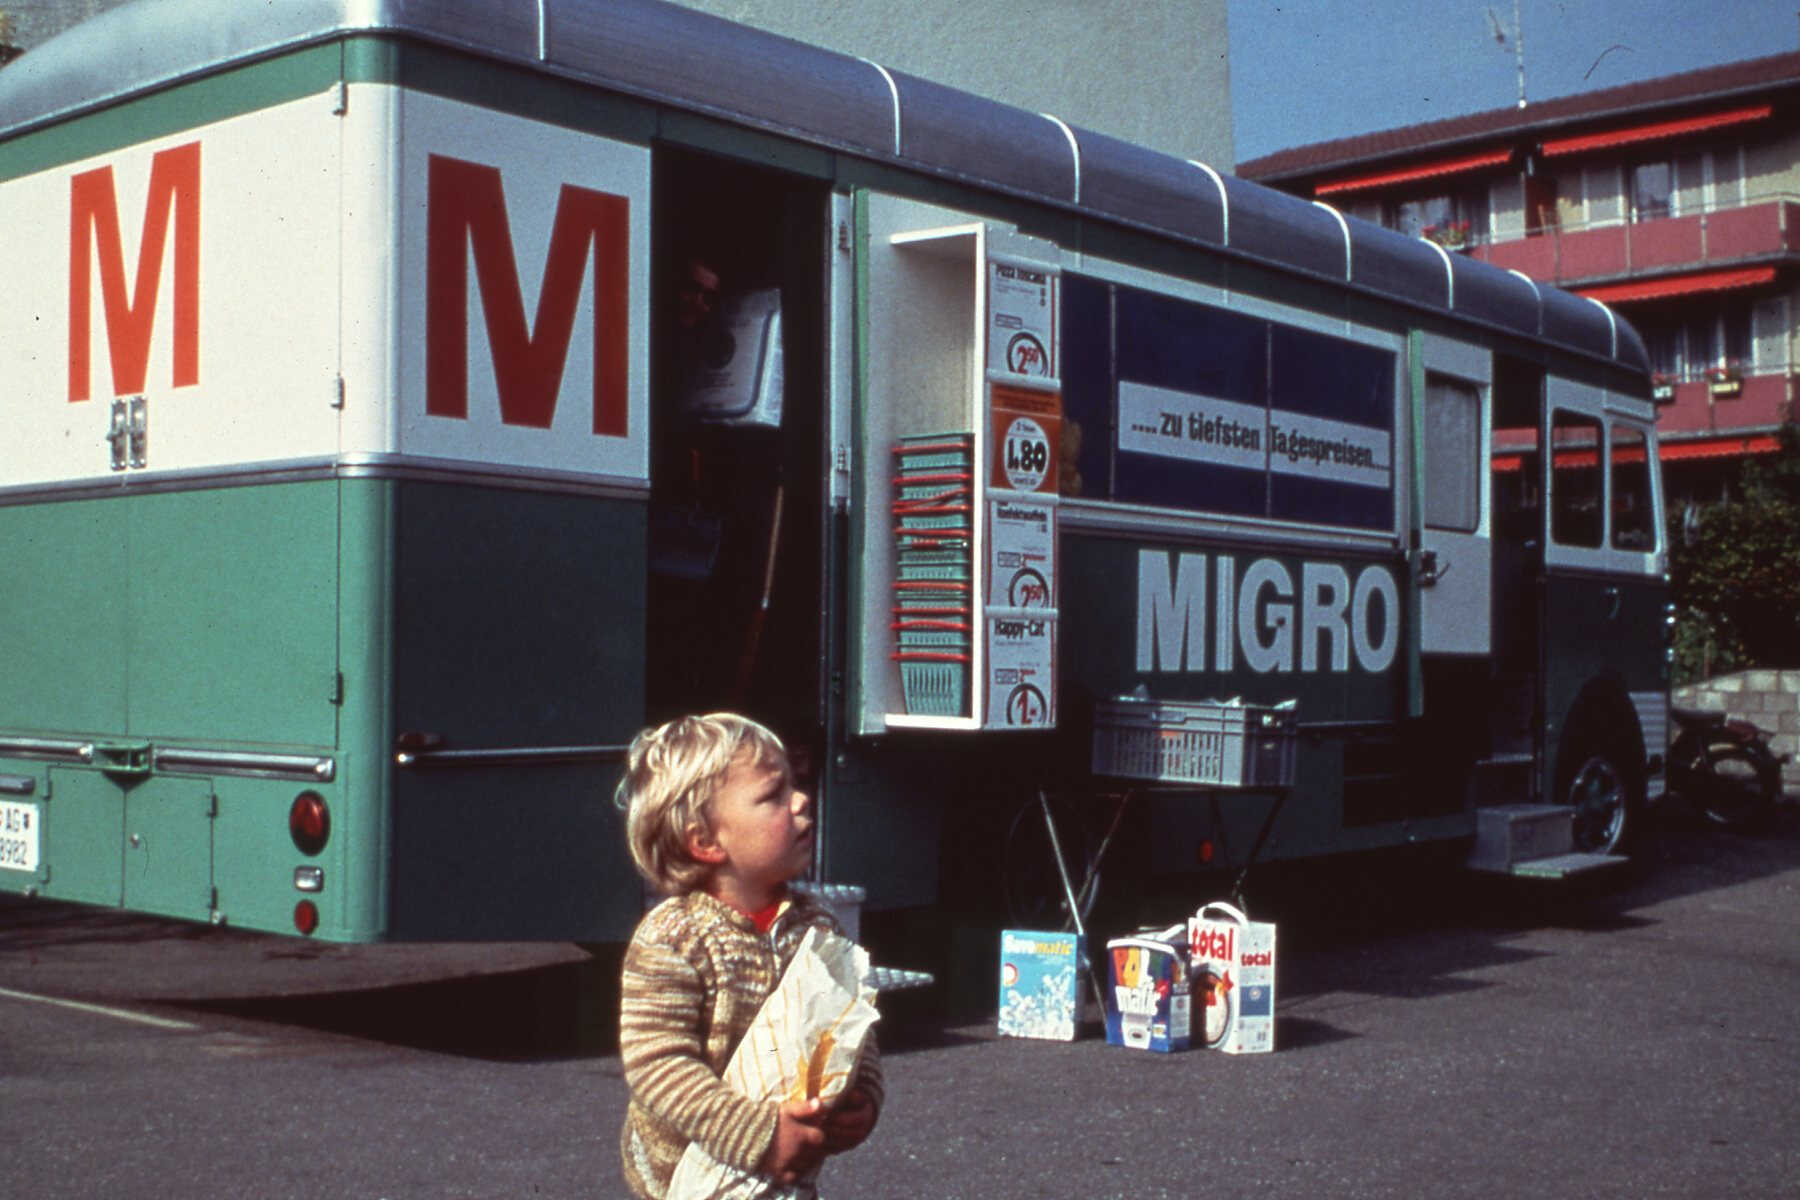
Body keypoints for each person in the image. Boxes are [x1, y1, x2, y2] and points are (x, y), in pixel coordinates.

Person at [615, 713, 882, 1198]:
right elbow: (658, 1064)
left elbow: (847, 1030)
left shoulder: (817, 928)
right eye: (773, 796)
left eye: (795, 785)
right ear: (706, 841)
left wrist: (862, 1095)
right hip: (688, 1175)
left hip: (782, 1171)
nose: (802, 800)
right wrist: (759, 1135)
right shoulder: (674, 938)